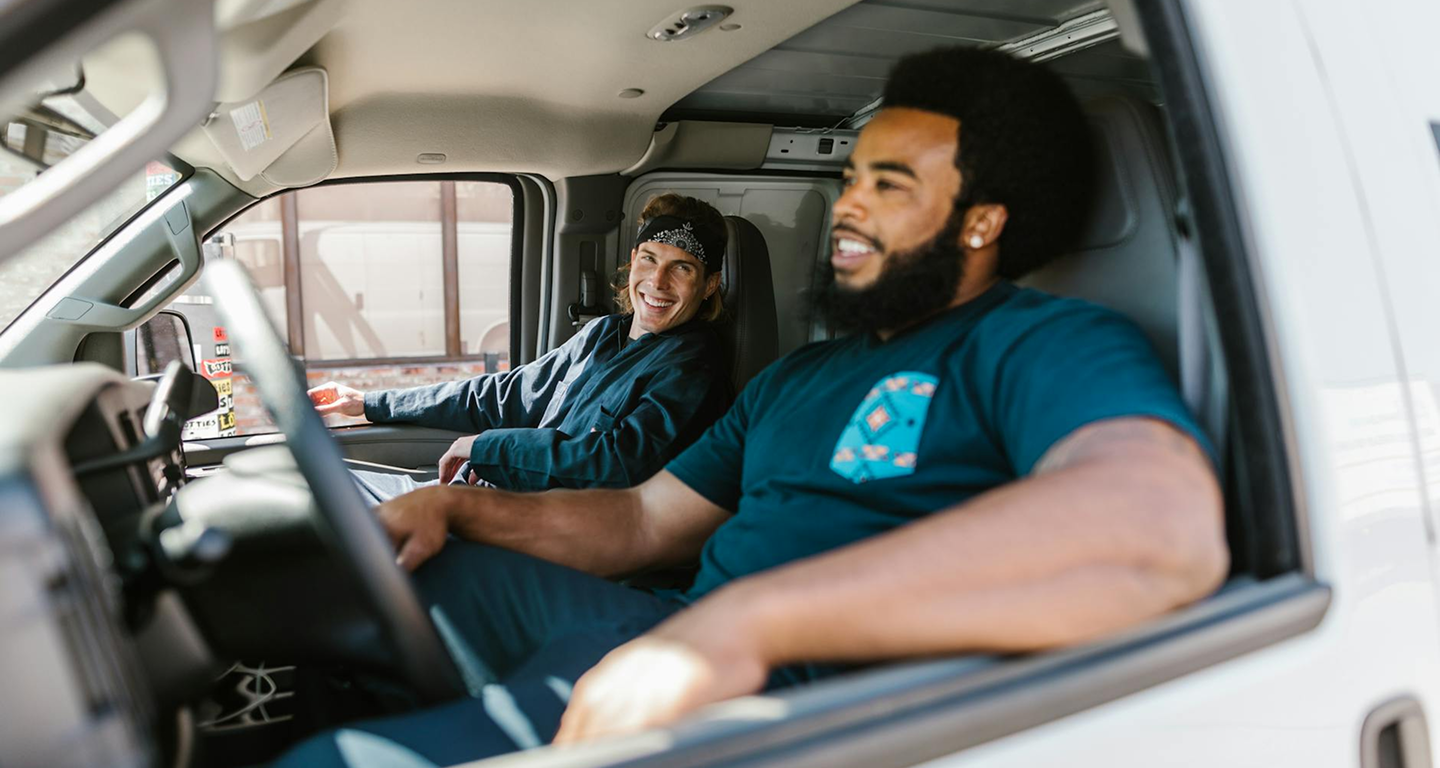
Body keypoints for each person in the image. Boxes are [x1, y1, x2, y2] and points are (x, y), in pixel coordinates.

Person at [274, 46, 1228, 767]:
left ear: (981, 222)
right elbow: (642, 520)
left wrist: (748, 624)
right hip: (673, 625)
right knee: (363, 572)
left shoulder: (1043, 342)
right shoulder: (797, 377)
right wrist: (459, 506)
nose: (848, 206)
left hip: (793, 698)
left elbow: (1157, 526)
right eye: (851, 178)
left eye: (890, 186)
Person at [307, 193, 733, 496]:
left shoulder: (693, 365)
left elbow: (620, 462)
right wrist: (370, 403)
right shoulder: (604, 333)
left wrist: (489, 448)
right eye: (650, 259)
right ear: (634, 259)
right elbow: (505, 394)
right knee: (315, 486)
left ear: (710, 284)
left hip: (535, 524)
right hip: (488, 496)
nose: (658, 282)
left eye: (682, 268)